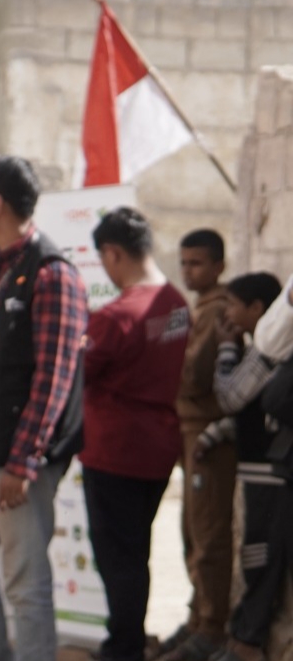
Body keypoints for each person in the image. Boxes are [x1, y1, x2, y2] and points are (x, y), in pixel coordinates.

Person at [0, 155, 87, 661]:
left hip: (19, 459)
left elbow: (55, 379)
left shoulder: (52, 274)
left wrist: (24, 460)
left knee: (26, 584)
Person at [79, 207, 189, 661]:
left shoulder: (116, 316)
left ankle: (123, 648)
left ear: (113, 253)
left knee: (118, 560)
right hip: (158, 449)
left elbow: (76, 373)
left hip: (115, 453)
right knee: (135, 553)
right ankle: (128, 640)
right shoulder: (177, 305)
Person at [201, 272, 287, 661]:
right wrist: (217, 434)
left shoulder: (268, 349)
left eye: (234, 305)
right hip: (264, 471)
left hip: (270, 476)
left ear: (257, 309)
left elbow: (232, 397)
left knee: (260, 558)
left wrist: (225, 349)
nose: (229, 314)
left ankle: (248, 642)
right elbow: (249, 413)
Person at [165, 228, 234, 660]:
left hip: (209, 436)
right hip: (188, 431)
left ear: (218, 266)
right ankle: (197, 618)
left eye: (197, 263)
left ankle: (212, 628)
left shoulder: (217, 310)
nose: (188, 271)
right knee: (190, 530)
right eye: (184, 262)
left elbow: (192, 376)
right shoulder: (197, 308)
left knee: (207, 533)